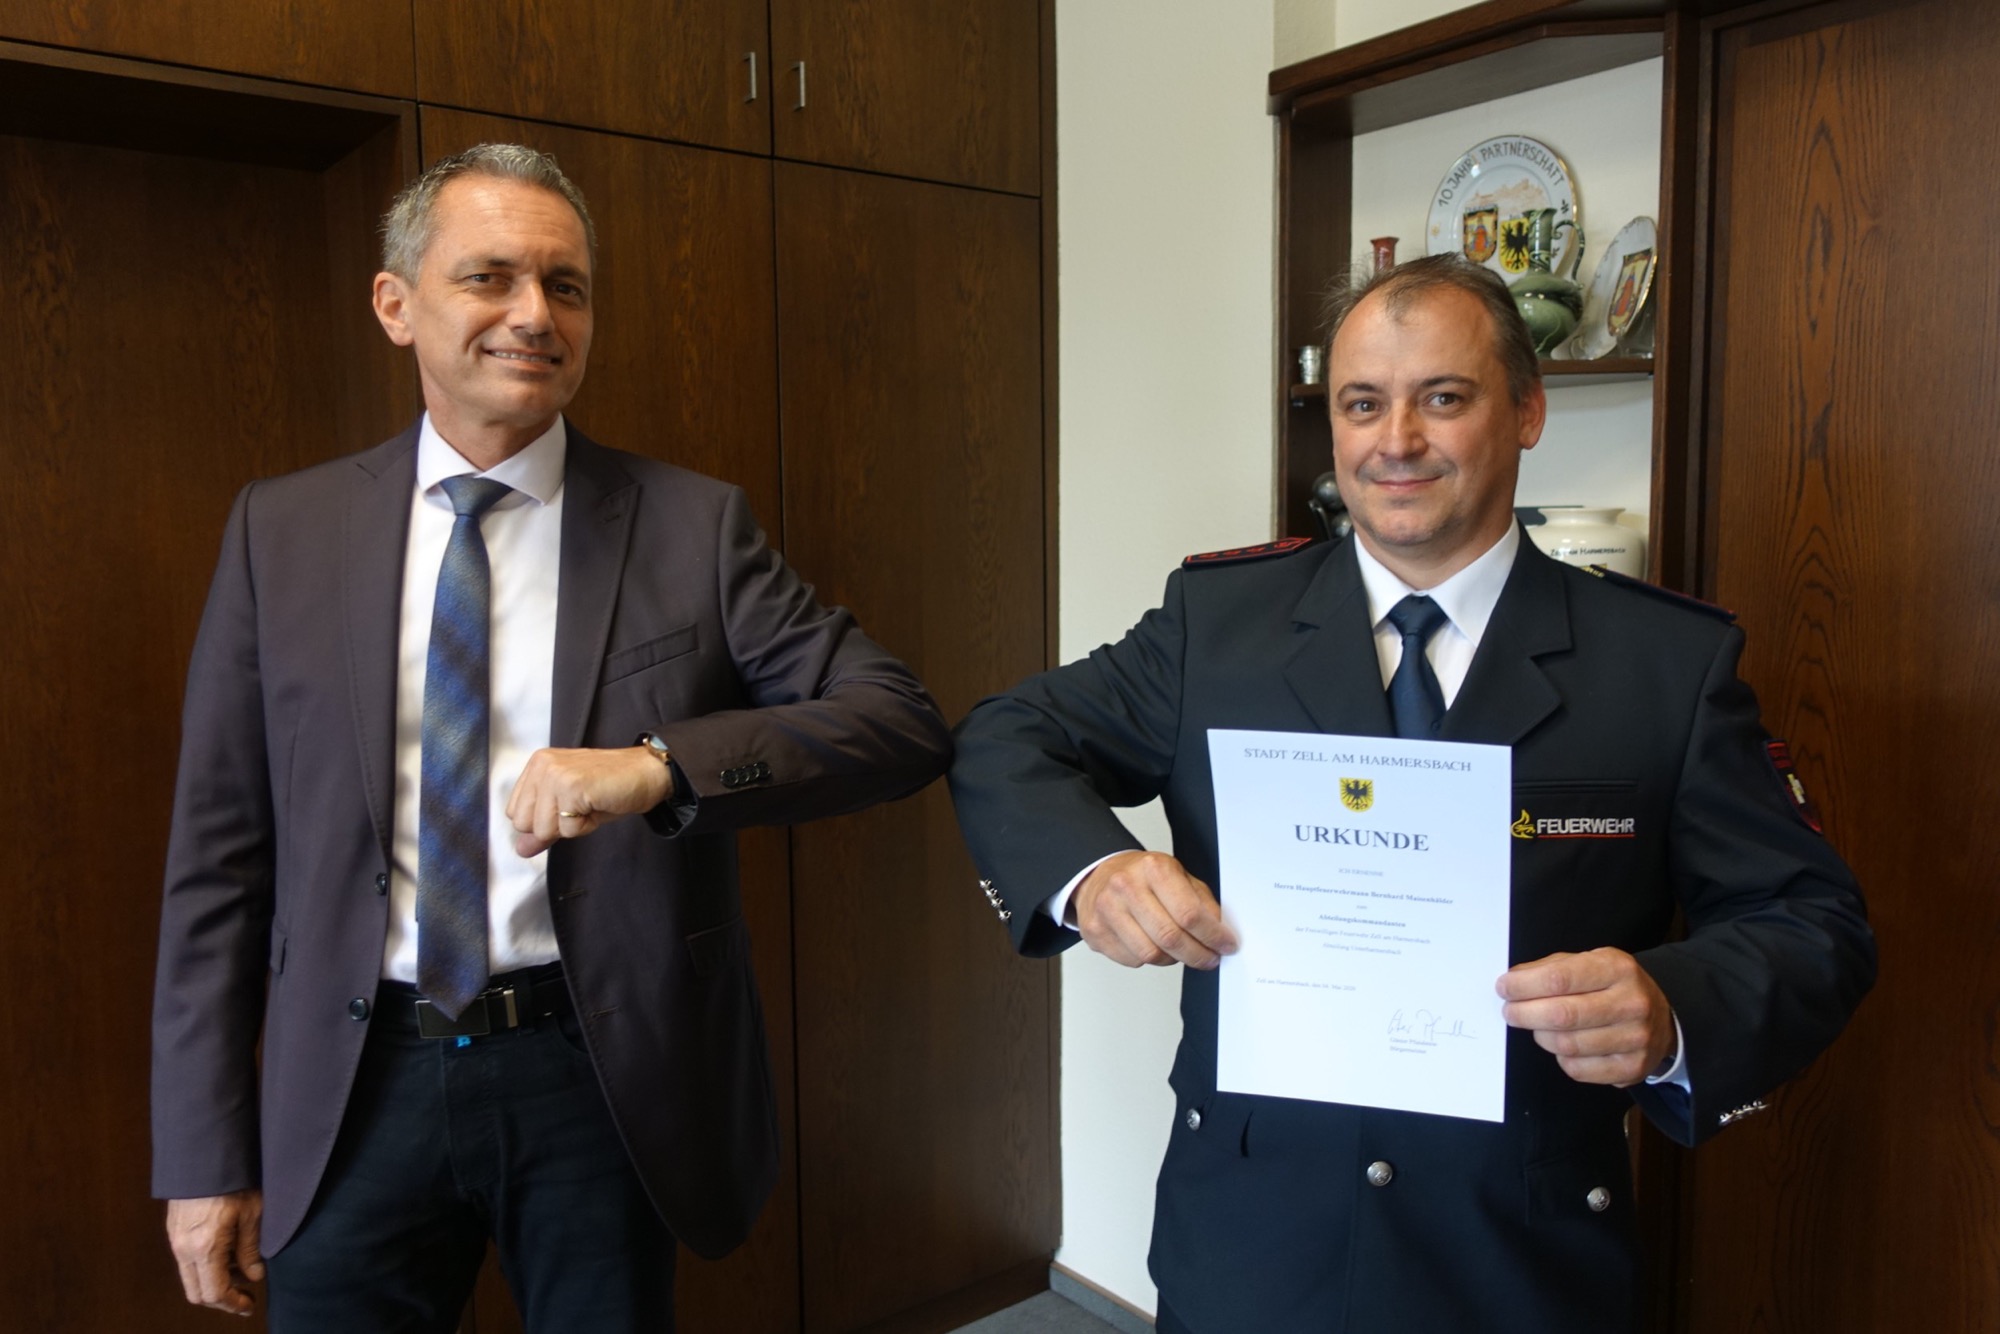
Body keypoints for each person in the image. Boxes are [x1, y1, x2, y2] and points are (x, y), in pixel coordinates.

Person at [947, 255, 1875, 1332]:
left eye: (1441, 397)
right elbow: (1008, 735)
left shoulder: (1664, 664)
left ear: (1525, 411)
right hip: (1250, 1245)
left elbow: (1812, 921)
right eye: (1361, 404)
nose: (1395, 441)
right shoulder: (1219, 624)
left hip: (1516, 1264)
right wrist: (1094, 872)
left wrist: (1671, 1011)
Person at [151, 143, 951, 1331]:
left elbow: (897, 720)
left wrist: (659, 767)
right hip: (351, 1081)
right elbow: (216, 863)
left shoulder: (691, 526)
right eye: (489, 276)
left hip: (594, 1072)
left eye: (565, 286)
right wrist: (202, 1152)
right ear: (395, 304)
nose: (533, 314)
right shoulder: (283, 530)